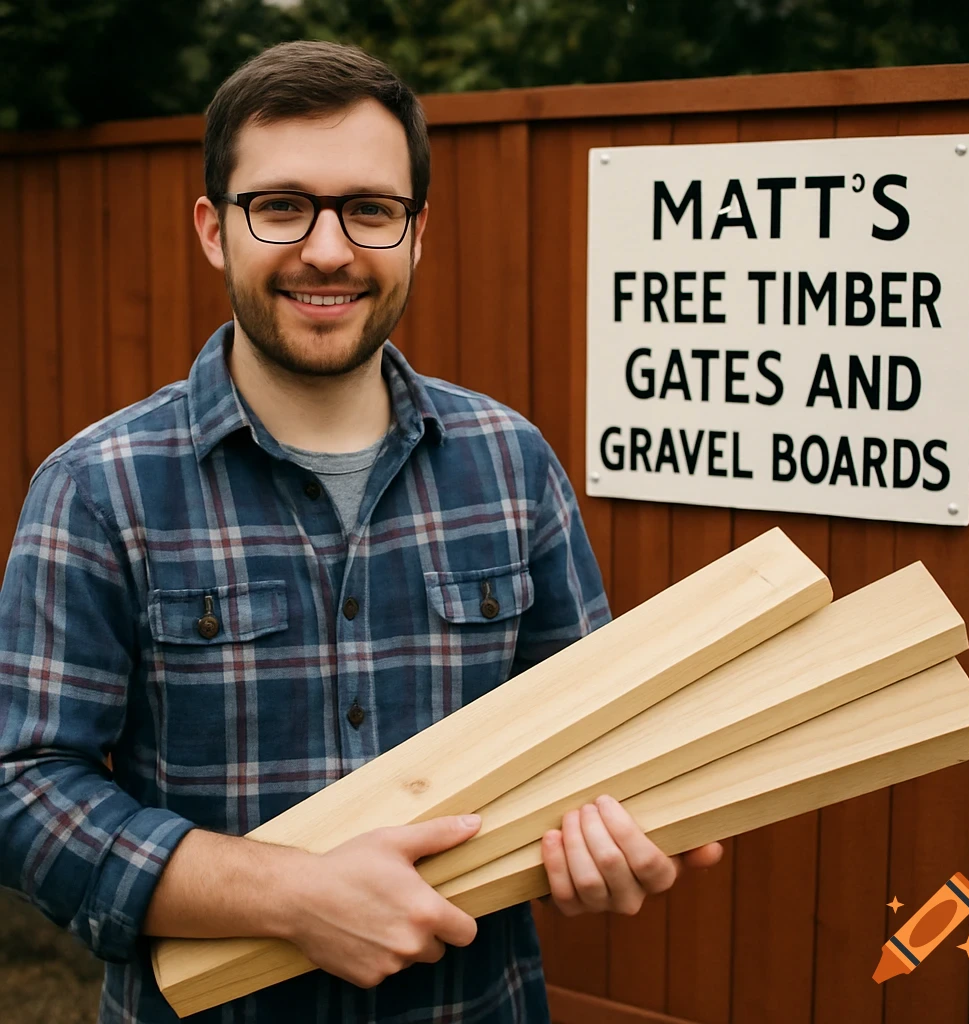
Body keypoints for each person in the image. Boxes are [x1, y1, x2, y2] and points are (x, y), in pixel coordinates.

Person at [0, 40, 722, 1024]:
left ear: (417, 232)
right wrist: (294, 896)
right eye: (282, 204)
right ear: (215, 228)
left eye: (368, 210)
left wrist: (613, 839)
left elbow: (591, 742)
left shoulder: (511, 464)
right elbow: (25, 789)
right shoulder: (99, 488)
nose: (329, 249)